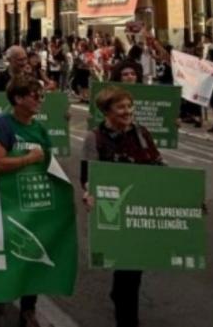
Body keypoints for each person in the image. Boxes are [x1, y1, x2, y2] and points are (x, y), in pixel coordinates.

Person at [80, 86, 164, 327]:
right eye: (121, 108)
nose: (127, 112)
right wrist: (89, 194)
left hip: (140, 205)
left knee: (133, 266)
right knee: (127, 266)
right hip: (113, 207)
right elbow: (88, 176)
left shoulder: (142, 133)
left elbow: (158, 165)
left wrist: (184, 193)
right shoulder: (94, 138)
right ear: (107, 111)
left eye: (129, 106)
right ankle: (127, 320)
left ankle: (121, 298)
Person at [0, 77, 51, 327]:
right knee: (3, 254)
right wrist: (29, 159)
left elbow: (47, 165)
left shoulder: (40, 129)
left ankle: (28, 309)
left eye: (40, 95)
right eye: (34, 95)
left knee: (32, 259)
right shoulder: (2, 125)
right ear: (18, 99)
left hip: (32, 202)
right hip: (3, 201)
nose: (39, 100)